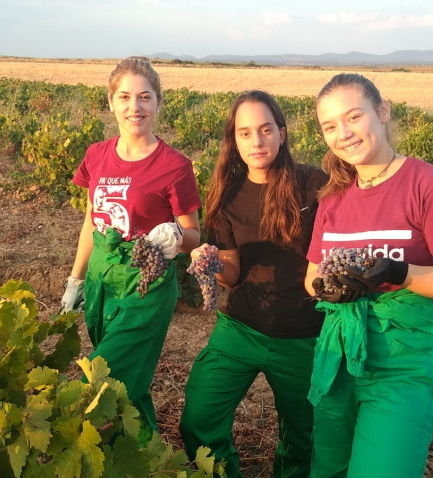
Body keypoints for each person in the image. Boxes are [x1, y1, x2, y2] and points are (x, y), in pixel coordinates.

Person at [302, 72, 433, 478]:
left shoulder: (431, 185)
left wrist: (399, 272)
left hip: (405, 364)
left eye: (354, 117)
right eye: (329, 126)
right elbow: (312, 277)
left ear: (382, 111)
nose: (343, 134)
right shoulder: (333, 198)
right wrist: (329, 289)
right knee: (329, 469)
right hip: (340, 360)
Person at [179, 90, 328, 478]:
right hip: (240, 328)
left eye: (265, 130)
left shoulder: (314, 184)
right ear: (234, 140)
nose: (256, 141)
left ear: (282, 132)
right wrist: (210, 264)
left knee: (304, 438)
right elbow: (232, 275)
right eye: (245, 133)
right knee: (199, 417)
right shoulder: (227, 195)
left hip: (304, 336)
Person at [60, 56, 202, 436]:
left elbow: (193, 236)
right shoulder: (96, 155)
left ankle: (101, 454)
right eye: (124, 97)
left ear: (158, 103)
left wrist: (172, 236)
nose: (134, 107)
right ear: (110, 102)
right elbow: (92, 219)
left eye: (144, 97)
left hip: (147, 285)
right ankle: (145, 459)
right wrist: (75, 279)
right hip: (100, 280)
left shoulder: (175, 165)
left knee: (102, 377)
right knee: (129, 384)